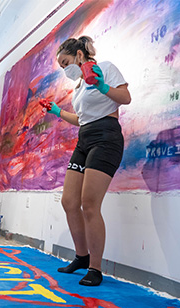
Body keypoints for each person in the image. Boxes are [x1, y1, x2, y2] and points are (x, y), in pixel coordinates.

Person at [47, 36, 131, 286]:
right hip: (85, 139)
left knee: (89, 204)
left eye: (66, 63)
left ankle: (95, 268)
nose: (65, 70)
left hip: (106, 138)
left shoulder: (104, 68)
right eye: (61, 67)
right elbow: (82, 119)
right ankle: (82, 257)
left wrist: (103, 86)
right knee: (69, 201)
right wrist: (57, 112)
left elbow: (125, 98)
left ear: (80, 55)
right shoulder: (79, 87)